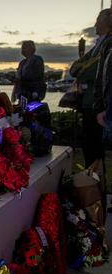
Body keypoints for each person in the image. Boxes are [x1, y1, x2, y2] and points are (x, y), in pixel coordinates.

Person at [72, 9, 112, 167]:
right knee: (89, 146)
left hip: (99, 103)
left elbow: (90, 70)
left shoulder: (108, 43)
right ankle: (92, 184)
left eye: (98, 19)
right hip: (91, 101)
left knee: (95, 148)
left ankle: (95, 186)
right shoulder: (98, 45)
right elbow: (75, 68)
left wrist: (82, 68)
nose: (95, 24)